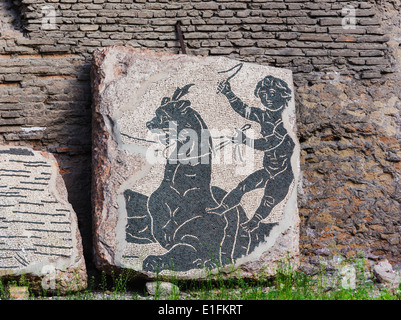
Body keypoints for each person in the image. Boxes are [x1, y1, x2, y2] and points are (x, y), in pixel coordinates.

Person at [207, 75, 295, 232]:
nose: (267, 98)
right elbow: (243, 109)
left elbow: (270, 143)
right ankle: (222, 208)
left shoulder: (286, 119)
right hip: (268, 168)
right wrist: (228, 93)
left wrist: (245, 140)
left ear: (282, 95)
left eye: (272, 94)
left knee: (269, 199)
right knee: (243, 186)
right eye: (263, 95)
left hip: (284, 172)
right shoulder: (264, 115)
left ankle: (254, 221)